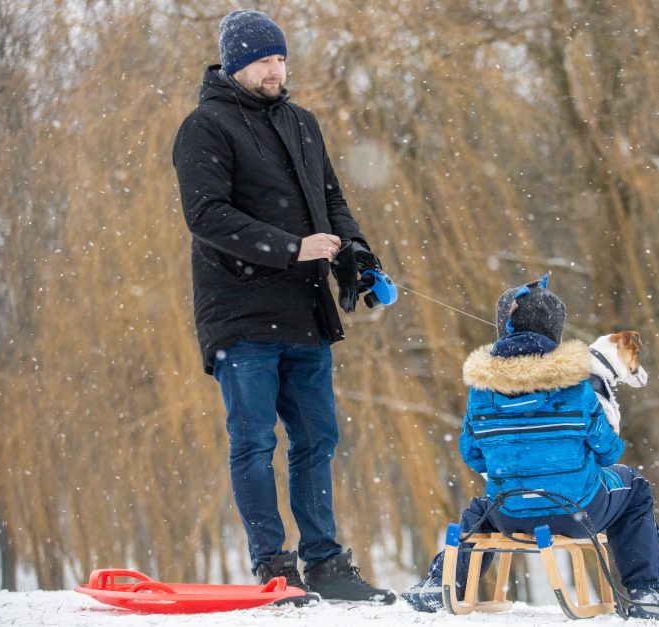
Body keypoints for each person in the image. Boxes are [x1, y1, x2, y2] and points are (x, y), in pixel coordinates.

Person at [172, 9, 394, 604]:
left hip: (305, 311)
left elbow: (331, 198)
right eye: (265, 61)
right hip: (239, 312)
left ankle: (325, 562)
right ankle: (276, 566)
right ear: (238, 64)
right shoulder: (205, 127)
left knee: (318, 438)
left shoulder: (301, 122)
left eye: (281, 58)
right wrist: (292, 248)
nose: (277, 70)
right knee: (253, 441)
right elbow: (206, 215)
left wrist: (358, 255)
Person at [401, 276, 659, 619]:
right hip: (577, 512)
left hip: (509, 515)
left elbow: (472, 454)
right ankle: (647, 590)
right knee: (635, 487)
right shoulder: (577, 387)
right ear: (554, 330)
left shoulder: (480, 392)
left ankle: (443, 583)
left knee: (480, 509)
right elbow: (609, 452)